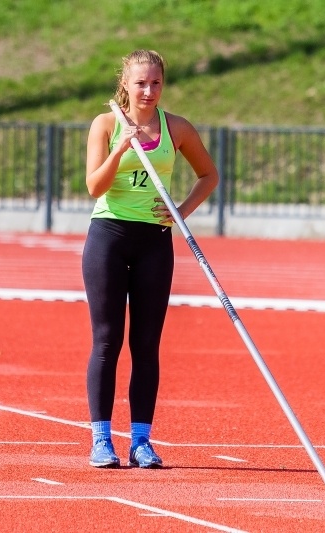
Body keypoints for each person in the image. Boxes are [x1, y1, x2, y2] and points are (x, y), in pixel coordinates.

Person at [82, 50, 219, 468]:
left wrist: (182, 210)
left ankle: (141, 441)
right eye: (140, 83)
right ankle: (101, 440)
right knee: (108, 341)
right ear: (125, 84)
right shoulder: (106, 124)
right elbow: (94, 185)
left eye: (156, 83)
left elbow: (208, 175)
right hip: (109, 236)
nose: (148, 91)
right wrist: (120, 148)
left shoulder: (175, 127)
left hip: (155, 241)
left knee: (146, 344)